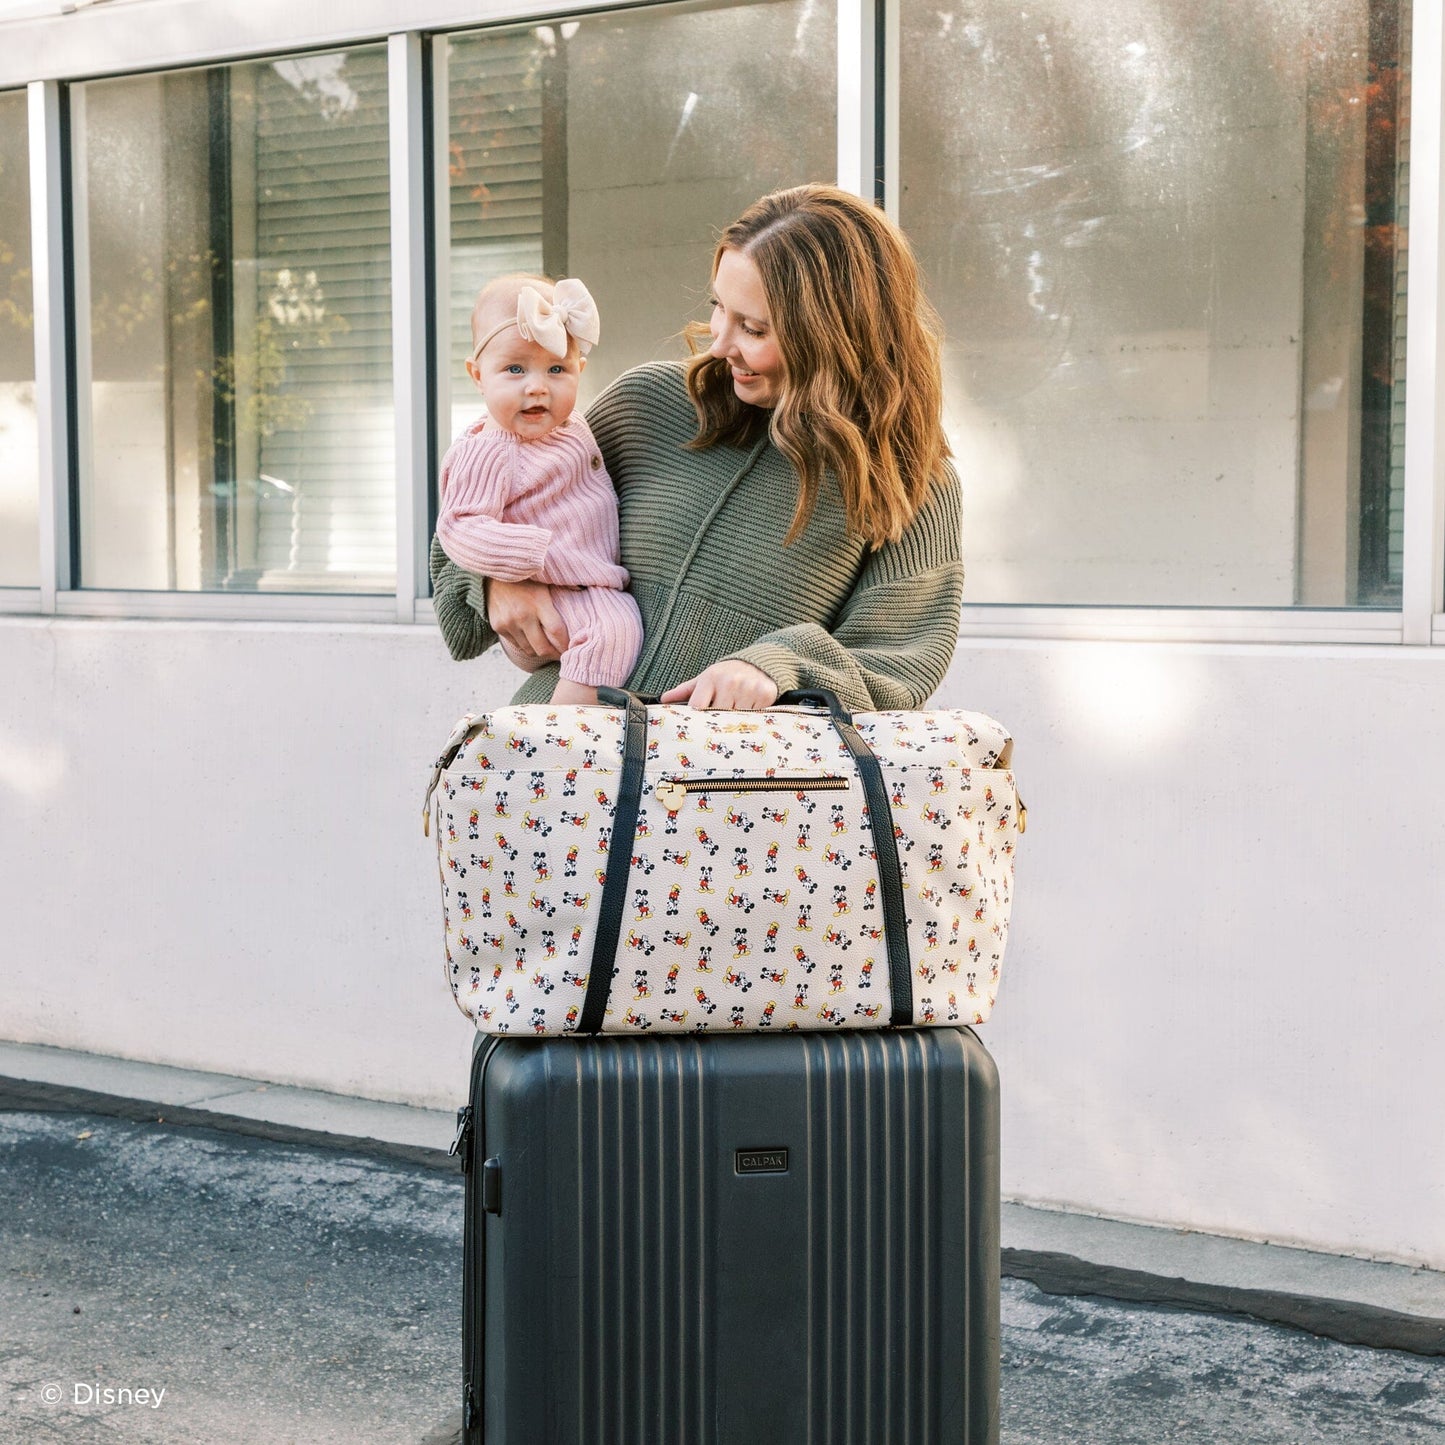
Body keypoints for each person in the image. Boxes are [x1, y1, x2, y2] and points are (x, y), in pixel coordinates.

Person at [430, 184, 962, 713]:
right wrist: (494, 580)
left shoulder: (910, 480)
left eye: (754, 328)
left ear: (836, 335)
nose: (720, 343)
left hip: (723, 789)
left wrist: (774, 665)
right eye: (719, 308)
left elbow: (899, 661)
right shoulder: (648, 405)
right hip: (559, 772)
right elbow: (475, 509)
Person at [434, 273, 643, 706]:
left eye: (556, 369)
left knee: (618, 629)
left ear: (579, 370)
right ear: (478, 375)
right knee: (614, 631)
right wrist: (530, 555)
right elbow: (458, 525)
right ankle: (564, 734)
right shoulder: (490, 448)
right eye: (514, 369)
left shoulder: (574, 425)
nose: (537, 386)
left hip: (584, 586)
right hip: (554, 590)